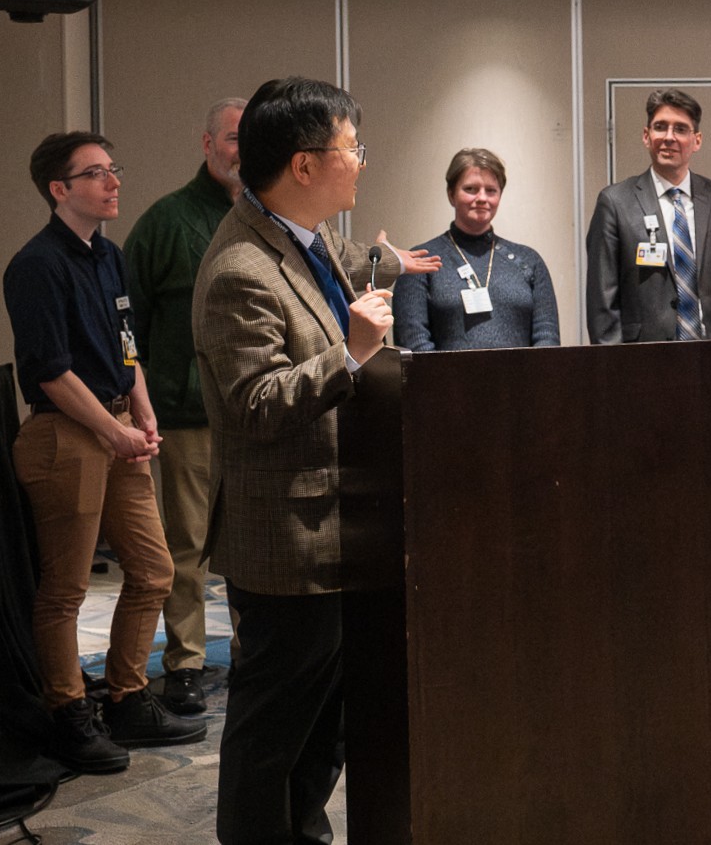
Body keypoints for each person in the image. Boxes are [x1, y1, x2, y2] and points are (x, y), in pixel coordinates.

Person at [193, 77, 439, 845]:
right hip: (286, 542)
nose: (361, 162)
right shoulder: (239, 267)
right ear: (303, 166)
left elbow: (335, 276)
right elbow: (256, 405)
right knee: (271, 730)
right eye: (350, 148)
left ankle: (302, 831)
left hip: (338, 526)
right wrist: (352, 354)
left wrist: (385, 265)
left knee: (325, 723)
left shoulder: (300, 238)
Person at [5, 132, 208, 775]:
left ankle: (127, 697)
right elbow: (49, 372)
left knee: (153, 571)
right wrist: (111, 429)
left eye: (113, 169)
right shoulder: (35, 265)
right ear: (59, 189)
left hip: (119, 426)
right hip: (66, 433)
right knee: (65, 589)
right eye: (96, 173)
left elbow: (126, 341)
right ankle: (68, 714)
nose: (114, 182)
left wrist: (140, 408)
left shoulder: (110, 256)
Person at [123, 96, 245, 716]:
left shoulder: (269, 216)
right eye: (231, 138)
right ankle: (187, 663)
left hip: (253, 414)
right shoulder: (165, 222)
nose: (241, 150)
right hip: (187, 416)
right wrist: (139, 403)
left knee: (249, 544)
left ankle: (253, 653)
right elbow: (130, 324)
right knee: (187, 547)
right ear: (206, 144)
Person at [585, 88, 711, 343]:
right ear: (646, 136)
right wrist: (616, 374)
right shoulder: (615, 203)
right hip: (644, 362)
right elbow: (603, 305)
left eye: (680, 129)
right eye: (660, 127)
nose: (669, 137)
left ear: (697, 140)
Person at [394, 147, 560, 351]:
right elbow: (413, 343)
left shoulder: (529, 261)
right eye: (471, 189)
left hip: (521, 382)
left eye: (491, 190)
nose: (482, 198)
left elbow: (547, 339)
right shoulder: (419, 262)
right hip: (443, 382)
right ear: (451, 195)